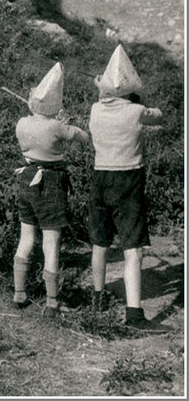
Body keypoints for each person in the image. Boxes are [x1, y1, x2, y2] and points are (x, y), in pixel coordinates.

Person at [87, 45, 166, 331]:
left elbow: (103, 97)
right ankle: (134, 315)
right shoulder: (137, 111)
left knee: (100, 241)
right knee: (133, 248)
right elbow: (158, 116)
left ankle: (97, 297)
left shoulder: (95, 110)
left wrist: (102, 88)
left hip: (100, 177)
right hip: (128, 179)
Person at [11, 62, 89, 316]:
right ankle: (52, 300)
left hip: (27, 177)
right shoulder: (57, 126)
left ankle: (19, 293)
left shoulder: (22, 123)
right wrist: (65, 122)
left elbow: (37, 121)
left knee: (26, 237)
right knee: (51, 242)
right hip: (51, 181)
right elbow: (82, 137)